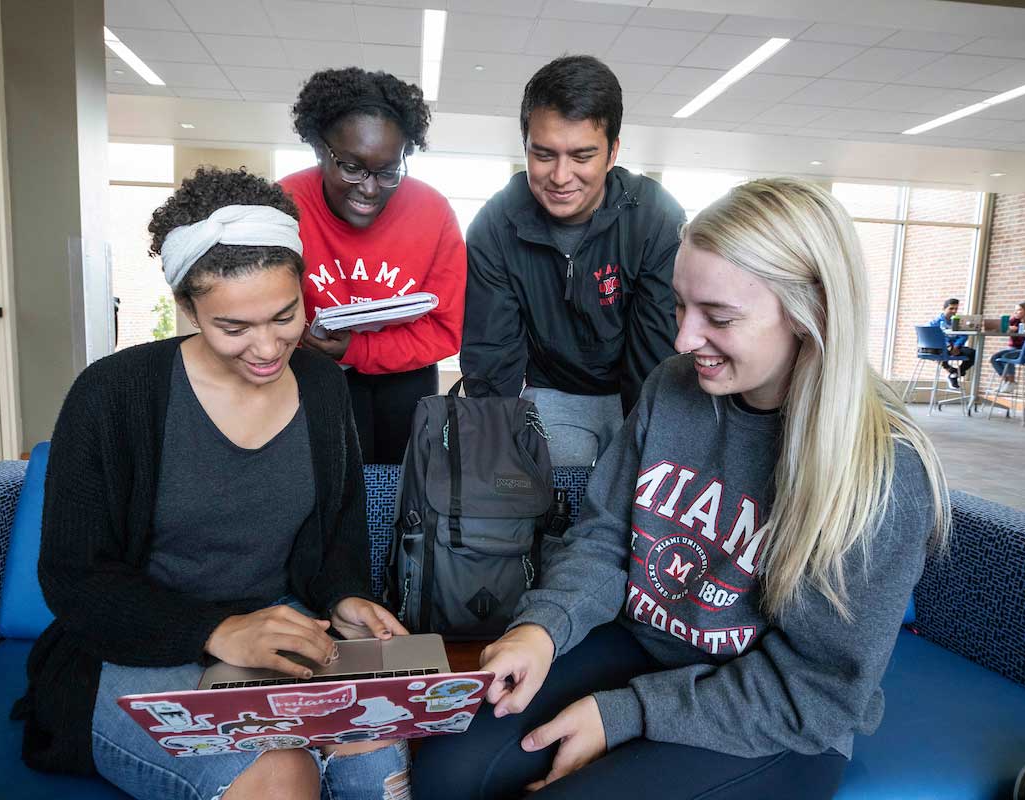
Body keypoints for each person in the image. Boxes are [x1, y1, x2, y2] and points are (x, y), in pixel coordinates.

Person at [413, 178, 950, 799]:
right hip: (643, 645)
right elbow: (605, 535)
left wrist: (626, 714)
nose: (683, 340)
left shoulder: (885, 470)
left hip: (774, 715)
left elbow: (817, 690)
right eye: (679, 306)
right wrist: (542, 627)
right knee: (446, 770)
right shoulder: (673, 386)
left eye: (718, 317)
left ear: (812, 316)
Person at [14, 167, 410, 800]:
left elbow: (337, 537)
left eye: (286, 315)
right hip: (136, 647)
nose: (267, 348)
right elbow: (74, 575)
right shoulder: (114, 394)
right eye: (233, 328)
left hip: (285, 640)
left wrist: (343, 600)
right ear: (186, 308)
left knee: (372, 761)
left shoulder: (324, 387)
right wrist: (218, 631)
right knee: (282, 776)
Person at [460, 55, 686, 467]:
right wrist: (491, 460)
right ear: (525, 146)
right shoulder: (495, 224)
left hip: (633, 391)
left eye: (582, 156)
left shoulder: (656, 217)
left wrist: (649, 450)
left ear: (612, 152)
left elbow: (658, 353)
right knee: (550, 487)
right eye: (544, 155)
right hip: (553, 391)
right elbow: (492, 356)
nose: (561, 177)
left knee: (638, 484)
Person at [282, 67, 466, 464]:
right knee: (326, 482)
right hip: (312, 371)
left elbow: (445, 331)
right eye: (352, 167)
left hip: (407, 378)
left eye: (388, 171)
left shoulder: (433, 212)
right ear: (319, 149)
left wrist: (357, 348)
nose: (369, 188)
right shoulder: (284, 205)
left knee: (403, 488)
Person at [990, 301, 1025, 383]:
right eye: (1015, 310)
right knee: (994, 358)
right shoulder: (1015, 320)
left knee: (1007, 356)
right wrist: (1007, 328)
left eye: (1019, 310)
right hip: (1015, 348)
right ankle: (1007, 381)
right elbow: (1000, 327)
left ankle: (1011, 381)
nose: (1015, 312)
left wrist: (1018, 330)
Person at [931, 298, 974, 390]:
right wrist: (948, 345)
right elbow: (932, 336)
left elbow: (964, 335)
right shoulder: (936, 322)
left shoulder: (958, 321)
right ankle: (950, 370)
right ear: (944, 309)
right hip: (941, 347)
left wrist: (957, 345)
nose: (954, 311)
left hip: (955, 346)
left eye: (956, 309)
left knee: (972, 353)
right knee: (942, 351)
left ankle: (954, 374)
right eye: (951, 308)